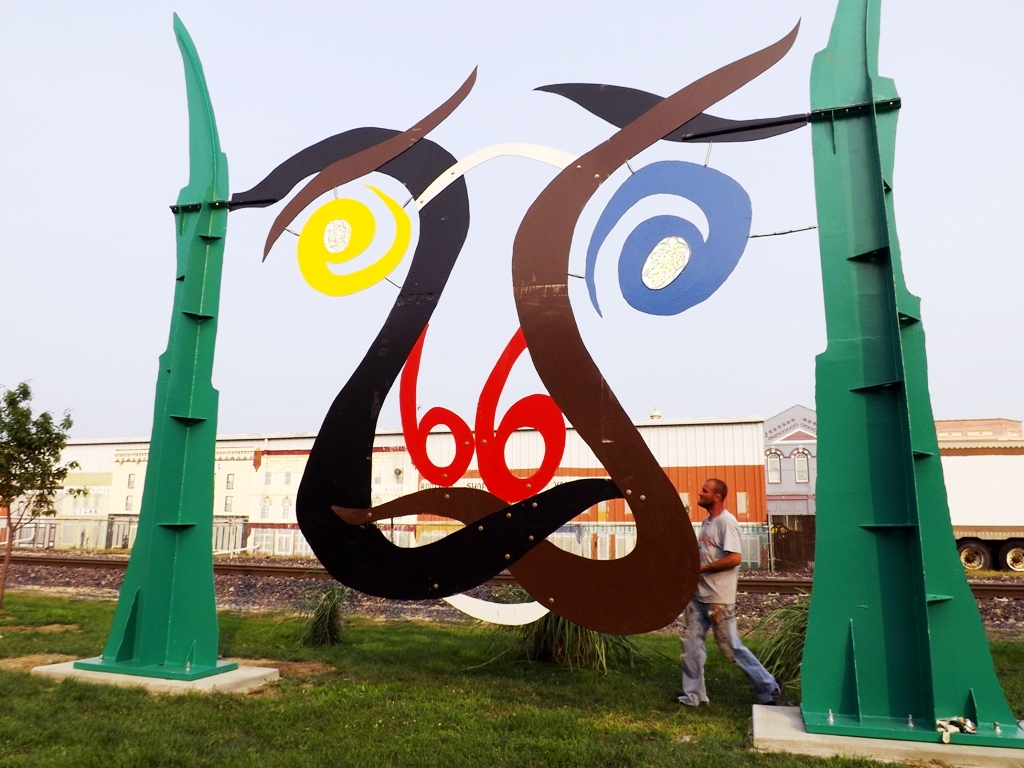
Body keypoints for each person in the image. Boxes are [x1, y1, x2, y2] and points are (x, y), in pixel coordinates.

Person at [678, 478, 781, 707]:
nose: (699, 493)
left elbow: (734, 558)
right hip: (698, 595)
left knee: (730, 646)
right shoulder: (706, 522)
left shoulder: (727, 522)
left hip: (718, 600)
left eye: (704, 491)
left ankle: (769, 686)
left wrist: (701, 570)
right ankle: (693, 696)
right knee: (691, 645)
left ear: (717, 497)